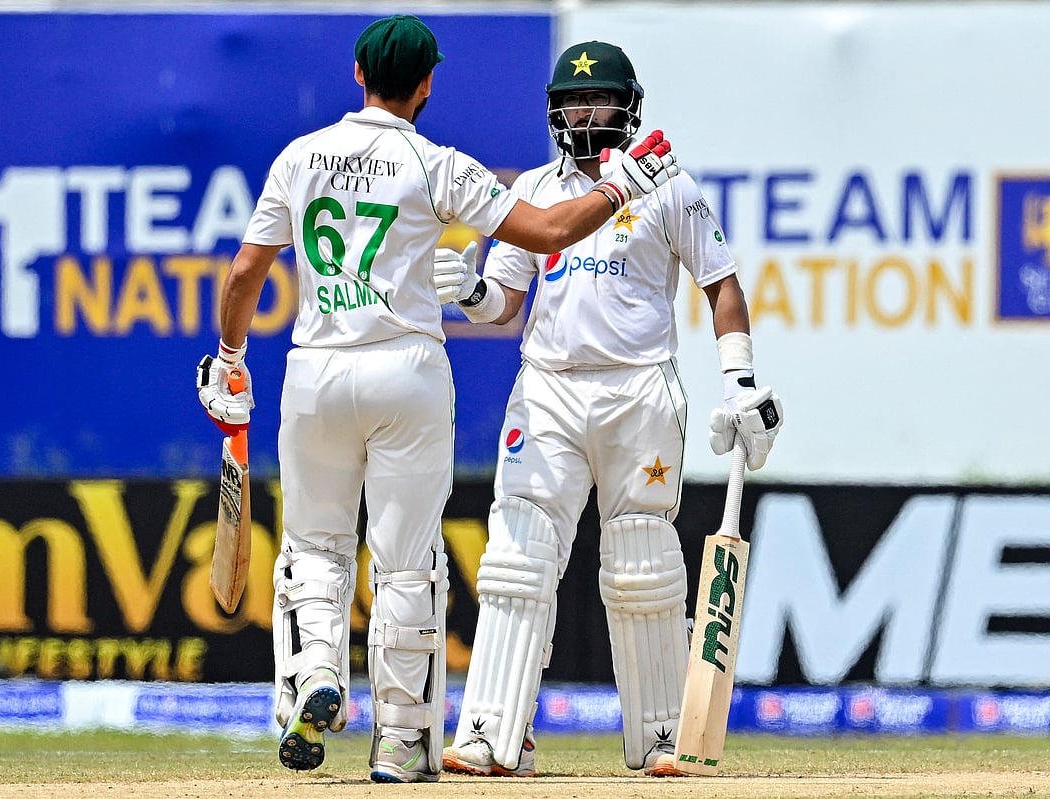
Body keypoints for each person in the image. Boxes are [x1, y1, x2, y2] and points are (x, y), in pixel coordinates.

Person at [195, 18, 681, 784]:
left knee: (315, 547)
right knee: (404, 565)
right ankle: (400, 741)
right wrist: (622, 184)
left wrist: (228, 357)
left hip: (315, 371)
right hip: (407, 371)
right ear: (427, 84)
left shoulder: (298, 157)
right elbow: (552, 230)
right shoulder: (436, 164)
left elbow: (247, 270)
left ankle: (317, 669)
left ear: (358, 72)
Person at [435, 41, 783, 778]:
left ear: (629, 106)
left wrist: (740, 382)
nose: (581, 114)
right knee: (518, 557)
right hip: (549, 389)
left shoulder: (670, 188)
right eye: (568, 102)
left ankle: (661, 734)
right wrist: (467, 290)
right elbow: (503, 304)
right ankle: (495, 733)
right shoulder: (533, 188)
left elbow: (720, 284)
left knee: (641, 562)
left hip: (639, 393)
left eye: (594, 101)